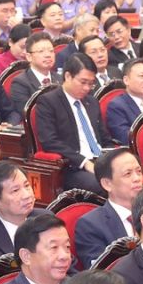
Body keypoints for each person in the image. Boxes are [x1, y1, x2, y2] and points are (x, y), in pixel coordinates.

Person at [31, 56, 107, 192]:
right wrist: (84, 162)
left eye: (91, 83)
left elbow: (104, 136)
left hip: (100, 161)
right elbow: (49, 141)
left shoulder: (92, 102)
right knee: (106, 184)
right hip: (73, 167)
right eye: (83, 82)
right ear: (67, 76)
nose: (87, 88)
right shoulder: (49, 102)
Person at [75, 148, 142, 267]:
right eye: (128, 174)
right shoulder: (91, 224)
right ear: (107, 184)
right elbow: (101, 272)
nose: (137, 178)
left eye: (139, 171)